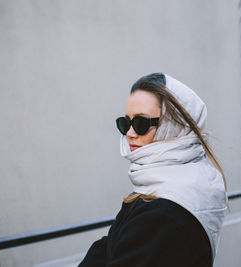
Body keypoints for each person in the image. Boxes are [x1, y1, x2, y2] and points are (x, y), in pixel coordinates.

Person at [78, 73, 228, 267]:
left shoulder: (166, 212)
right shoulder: (170, 184)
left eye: (141, 124)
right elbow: (107, 248)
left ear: (174, 127)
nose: (130, 134)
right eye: (125, 123)